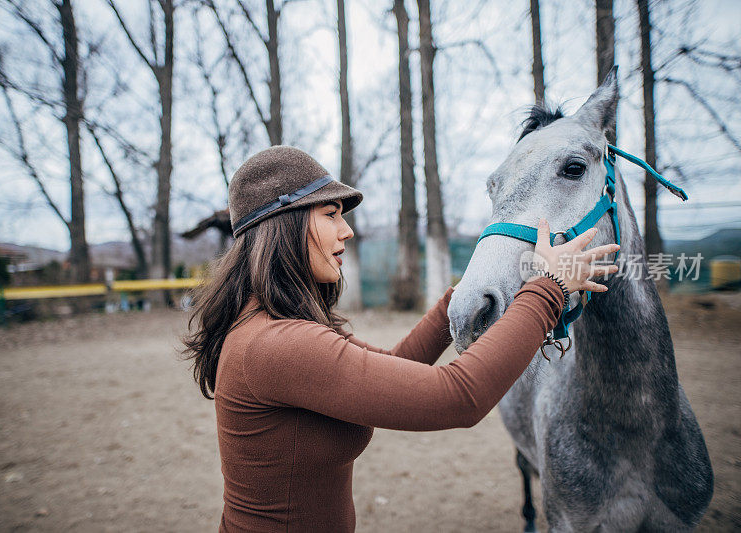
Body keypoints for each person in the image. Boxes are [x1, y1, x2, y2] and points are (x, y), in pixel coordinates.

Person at [182, 146, 619, 532]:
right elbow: (457, 397)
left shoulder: (272, 326)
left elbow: (397, 363)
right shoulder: (277, 345)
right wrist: (548, 288)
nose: (347, 230)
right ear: (284, 227)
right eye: (330, 215)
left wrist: (470, 293)